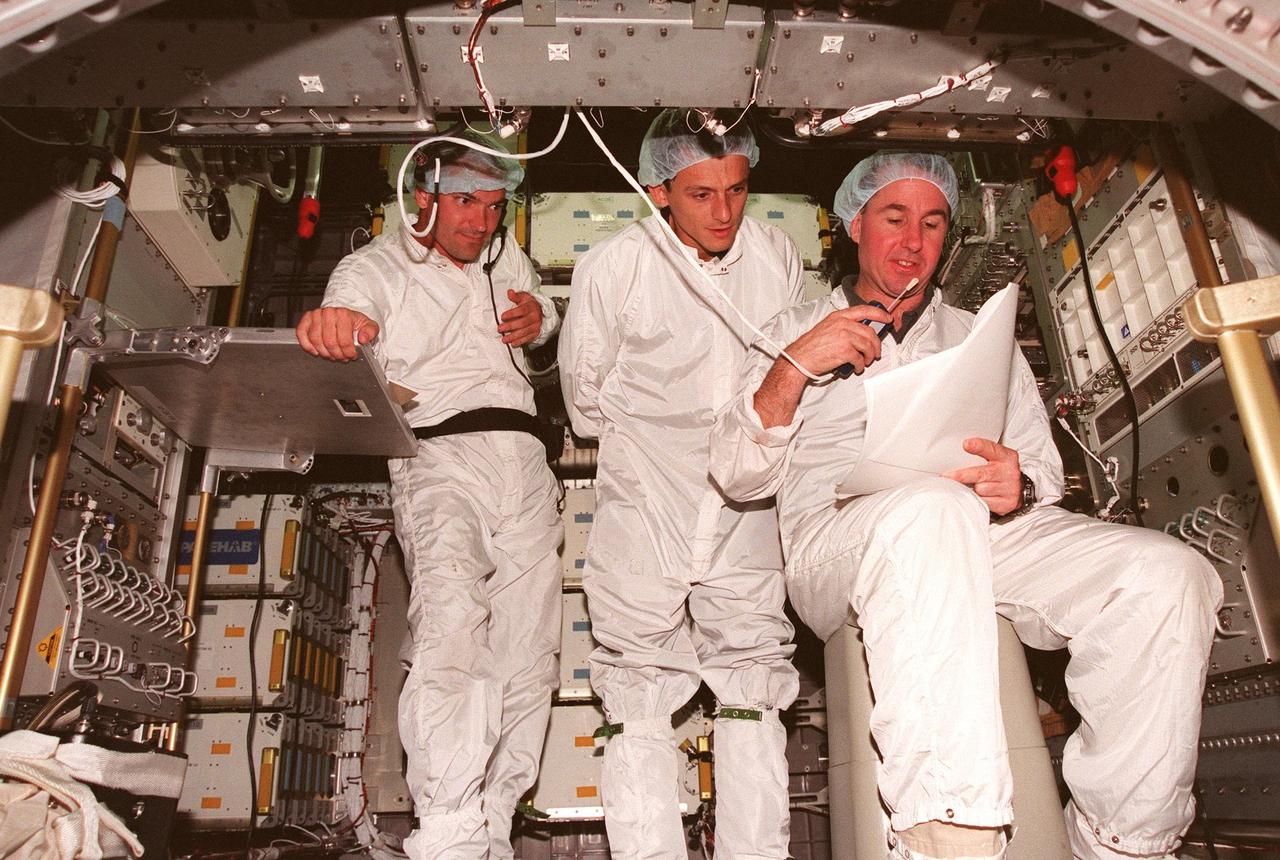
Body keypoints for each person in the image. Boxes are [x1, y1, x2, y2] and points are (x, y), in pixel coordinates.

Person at [708, 152, 1222, 860]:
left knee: (1166, 577)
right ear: (855, 223)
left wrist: (1022, 483)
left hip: (979, 532)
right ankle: (950, 834)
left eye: (932, 221)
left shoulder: (979, 333)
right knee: (929, 511)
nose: (913, 241)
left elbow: (1036, 466)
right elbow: (736, 474)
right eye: (893, 218)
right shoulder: (790, 331)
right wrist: (794, 366)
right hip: (840, 546)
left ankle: (1124, 843)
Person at [295, 128, 563, 859]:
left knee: (529, 647)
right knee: (451, 621)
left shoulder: (506, 256)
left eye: (495, 206)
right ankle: (448, 828)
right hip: (442, 457)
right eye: (466, 203)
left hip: (526, 461)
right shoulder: (374, 268)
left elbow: (544, 316)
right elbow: (343, 319)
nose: (482, 222)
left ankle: (494, 821)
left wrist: (541, 324)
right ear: (423, 198)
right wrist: (336, 325)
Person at [558, 109, 804, 858]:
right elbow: (583, 398)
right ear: (660, 190)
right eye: (702, 195)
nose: (725, 211)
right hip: (647, 506)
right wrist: (662, 443)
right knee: (636, 696)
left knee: (753, 689)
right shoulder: (615, 267)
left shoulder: (776, 254)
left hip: (747, 507)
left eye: (736, 189)